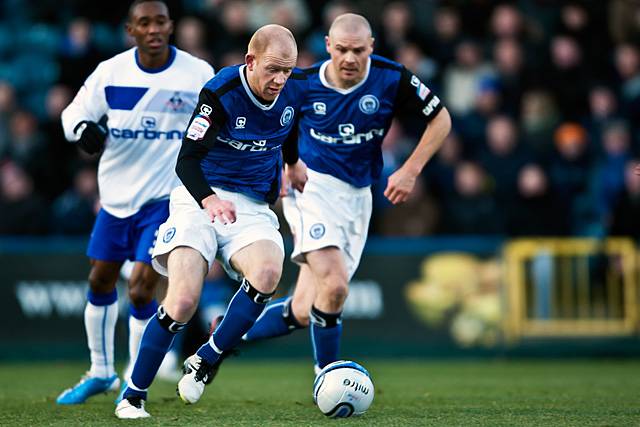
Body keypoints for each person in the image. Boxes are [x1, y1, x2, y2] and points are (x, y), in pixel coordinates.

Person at [115, 24, 308, 419]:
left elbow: (287, 128)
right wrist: (210, 199)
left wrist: (292, 164)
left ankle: (206, 358)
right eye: (272, 69)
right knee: (183, 300)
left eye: (287, 70)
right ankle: (132, 395)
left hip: (252, 206)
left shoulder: (293, 88)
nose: (280, 79)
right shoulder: (221, 93)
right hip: (200, 196)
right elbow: (185, 161)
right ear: (250, 61)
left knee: (269, 272)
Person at [240, 13, 451, 372]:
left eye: (358, 50)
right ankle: (328, 374)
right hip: (312, 188)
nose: (349, 58)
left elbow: (441, 119)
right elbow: (273, 124)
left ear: (371, 46)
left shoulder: (391, 77)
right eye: (341, 50)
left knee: (306, 309)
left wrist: (410, 169)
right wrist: (286, 166)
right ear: (328, 47)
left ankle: (226, 336)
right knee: (335, 285)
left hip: (358, 194)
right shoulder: (303, 82)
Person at [57, 0, 214, 405]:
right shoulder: (111, 72)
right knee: (100, 281)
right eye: (144, 23)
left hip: (166, 198)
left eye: (160, 21)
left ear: (171, 25)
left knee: (143, 288)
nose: (153, 29)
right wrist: (82, 130)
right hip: (116, 199)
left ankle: (132, 381)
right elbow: (72, 115)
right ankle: (100, 372)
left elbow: (221, 121)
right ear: (131, 30)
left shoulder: (197, 74)